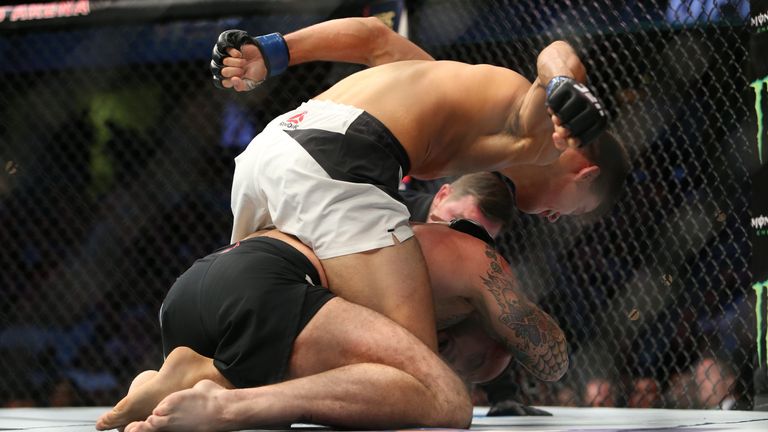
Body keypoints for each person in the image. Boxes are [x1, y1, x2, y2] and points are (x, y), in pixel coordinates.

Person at [212, 17, 616, 354]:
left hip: (271, 147)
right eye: (577, 209)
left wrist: (272, 51)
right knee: (413, 370)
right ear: (587, 174)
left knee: (254, 333)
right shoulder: (543, 141)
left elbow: (375, 38)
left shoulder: (455, 93)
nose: (553, 218)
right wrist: (565, 80)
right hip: (340, 160)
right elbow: (556, 51)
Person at [96, 221, 567, 431]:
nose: (451, 363)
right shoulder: (470, 255)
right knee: (447, 400)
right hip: (268, 281)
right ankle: (225, 404)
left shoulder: (388, 252)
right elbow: (552, 358)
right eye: (473, 362)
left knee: (340, 381)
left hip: (196, 288)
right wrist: (506, 300)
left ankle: (178, 378)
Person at [402, 172, 512, 238]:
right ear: (442, 196)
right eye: (457, 222)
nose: (461, 239)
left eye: (479, 238)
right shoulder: (389, 214)